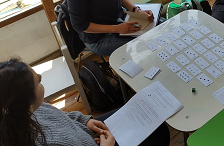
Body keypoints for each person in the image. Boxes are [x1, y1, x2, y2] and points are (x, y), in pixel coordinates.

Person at [0, 59, 170, 146]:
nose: (40, 76)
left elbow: (61, 117)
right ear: (27, 106)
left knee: (144, 116)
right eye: (37, 82)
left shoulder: (26, 109)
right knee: (160, 132)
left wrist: (84, 120)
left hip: (90, 134)